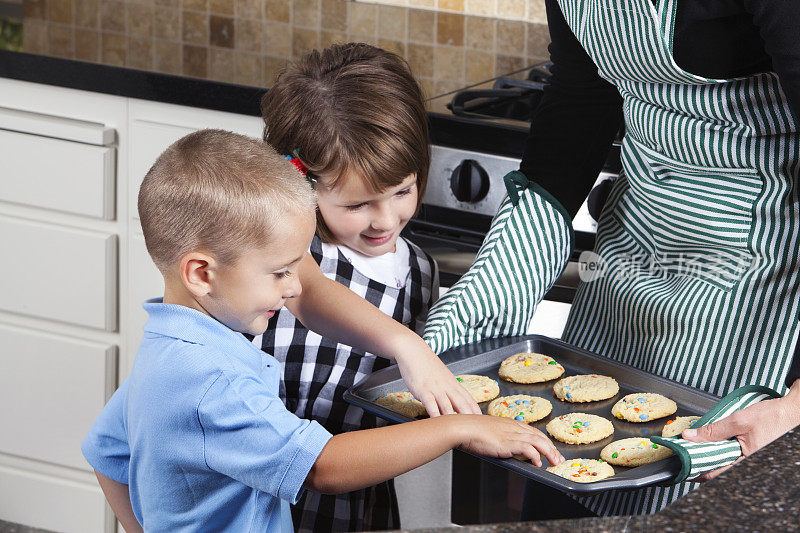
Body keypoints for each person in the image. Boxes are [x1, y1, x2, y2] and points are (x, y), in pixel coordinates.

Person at [423, 0, 800, 520]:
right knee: (566, 490)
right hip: (631, 250)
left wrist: (794, 408)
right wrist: (471, 312)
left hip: (760, 280)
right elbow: (579, 101)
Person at [81, 129, 564, 532]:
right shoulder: (214, 385)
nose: (295, 289)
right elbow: (323, 466)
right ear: (202, 274)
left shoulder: (167, 351)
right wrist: (457, 427)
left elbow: (106, 453)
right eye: (280, 272)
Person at [253, 43, 439, 532]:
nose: (386, 219)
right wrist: (407, 345)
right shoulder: (280, 253)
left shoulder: (420, 271)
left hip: (357, 504)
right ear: (301, 183)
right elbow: (311, 297)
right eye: (357, 205)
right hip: (264, 499)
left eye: (402, 190)